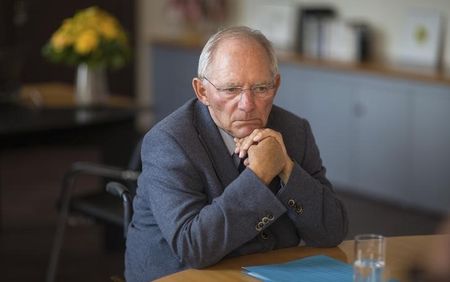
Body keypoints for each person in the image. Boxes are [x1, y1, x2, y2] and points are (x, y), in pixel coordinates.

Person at [125, 26, 348, 282]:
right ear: (202, 92)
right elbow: (194, 247)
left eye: (261, 88)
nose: (247, 104)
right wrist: (260, 174)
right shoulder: (169, 142)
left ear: (275, 85)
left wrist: (286, 167)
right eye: (231, 89)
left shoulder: (295, 131)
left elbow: (332, 231)